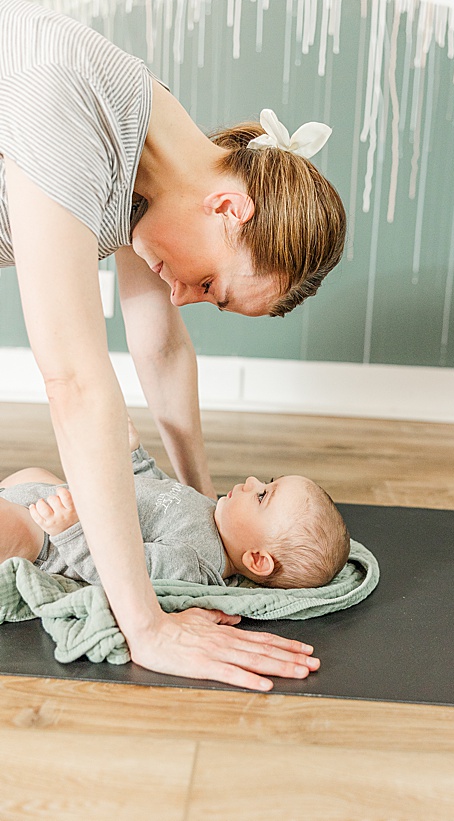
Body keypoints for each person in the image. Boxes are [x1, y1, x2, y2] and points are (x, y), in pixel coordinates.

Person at [1, 0, 345, 687]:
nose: (184, 295)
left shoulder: (156, 156)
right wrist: (147, 626)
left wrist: (200, 501)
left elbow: (160, 347)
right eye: (213, 283)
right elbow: (73, 382)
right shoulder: (75, 110)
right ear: (229, 209)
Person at [0, 420, 350, 589]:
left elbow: (125, 568)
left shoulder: (195, 562)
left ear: (257, 559)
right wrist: (132, 454)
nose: (252, 482)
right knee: (34, 474)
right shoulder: (210, 512)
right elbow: (155, 487)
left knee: (10, 524)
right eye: (268, 481)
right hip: (63, 502)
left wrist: (70, 532)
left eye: (262, 496)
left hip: (49, 540)